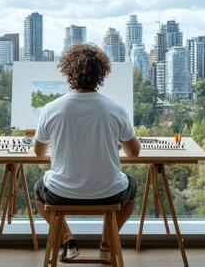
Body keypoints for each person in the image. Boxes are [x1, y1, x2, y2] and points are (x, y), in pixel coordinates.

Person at [33, 44, 141, 262]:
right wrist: (113, 141)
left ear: (68, 73)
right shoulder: (116, 109)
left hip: (60, 193)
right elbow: (135, 153)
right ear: (101, 74)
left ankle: (67, 239)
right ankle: (107, 243)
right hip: (110, 192)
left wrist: (63, 145)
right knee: (131, 192)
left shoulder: (51, 108)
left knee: (38, 191)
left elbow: (38, 152)